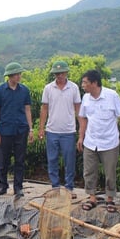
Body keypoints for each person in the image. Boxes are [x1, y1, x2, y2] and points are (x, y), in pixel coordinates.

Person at [76, 69, 120, 212]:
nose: (83, 85)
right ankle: (92, 198)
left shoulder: (112, 96)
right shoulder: (86, 98)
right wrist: (81, 137)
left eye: (85, 82)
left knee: (110, 172)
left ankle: (110, 199)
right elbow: (83, 117)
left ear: (94, 83)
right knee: (89, 171)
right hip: (91, 141)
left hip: (109, 142)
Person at [38, 60, 81, 198]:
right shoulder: (48, 88)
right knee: (52, 160)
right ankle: (55, 187)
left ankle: (69, 188)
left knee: (69, 160)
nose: (59, 76)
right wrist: (41, 128)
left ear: (66, 72)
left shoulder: (74, 88)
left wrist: (81, 130)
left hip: (68, 131)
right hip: (52, 130)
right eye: (56, 73)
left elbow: (78, 108)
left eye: (61, 73)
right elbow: (44, 109)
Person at [0, 62, 34, 198]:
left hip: (21, 129)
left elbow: (28, 110)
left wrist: (31, 129)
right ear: (10, 76)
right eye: (17, 74)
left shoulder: (25, 90)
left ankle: (18, 187)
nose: (19, 76)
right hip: (5, 130)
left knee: (20, 160)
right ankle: (3, 185)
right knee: (3, 159)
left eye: (20, 74)